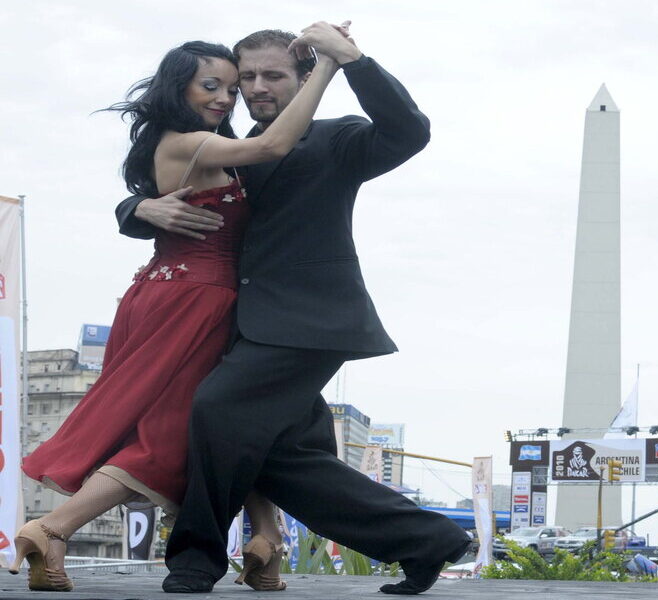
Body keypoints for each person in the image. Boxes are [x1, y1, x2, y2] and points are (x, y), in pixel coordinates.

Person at [116, 24, 470, 595]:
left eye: (272, 75)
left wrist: (352, 60)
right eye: (245, 77)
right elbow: (156, 183)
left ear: (305, 77)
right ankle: (427, 543)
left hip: (310, 321)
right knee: (281, 459)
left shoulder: (337, 139)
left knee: (215, 409)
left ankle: (193, 561)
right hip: (237, 322)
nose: (255, 86)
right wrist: (138, 210)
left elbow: (409, 132)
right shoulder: (226, 146)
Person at [14, 38, 338, 593]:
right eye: (209, 85)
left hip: (185, 294)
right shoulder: (190, 141)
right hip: (194, 301)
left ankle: (266, 539)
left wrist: (137, 206)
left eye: (230, 89)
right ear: (177, 85)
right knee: (169, 435)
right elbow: (277, 144)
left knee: (241, 418)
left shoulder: (200, 143)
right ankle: (52, 528)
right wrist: (329, 64)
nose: (224, 97)